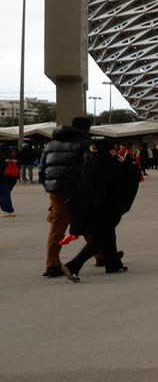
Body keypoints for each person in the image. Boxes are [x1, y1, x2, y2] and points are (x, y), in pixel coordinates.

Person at [58, 138, 140, 281]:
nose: (115, 151)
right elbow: (134, 173)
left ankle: (113, 264)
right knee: (102, 238)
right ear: (108, 150)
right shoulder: (111, 165)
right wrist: (121, 159)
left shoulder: (88, 164)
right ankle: (74, 265)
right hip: (106, 208)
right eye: (113, 149)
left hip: (89, 208)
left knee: (108, 235)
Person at [38, 117, 93, 278]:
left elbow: (42, 168)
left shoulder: (50, 143)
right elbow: (89, 168)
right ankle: (101, 255)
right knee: (87, 223)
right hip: (76, 190)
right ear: (87, 128)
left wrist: (49, 187)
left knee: (57, 227)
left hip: (55, 191)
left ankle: (52, 263)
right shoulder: (85, 143)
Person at [1, 145, 18, 217]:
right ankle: (5, 209)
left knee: (4, 195)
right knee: (4, 194)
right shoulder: (12, 158)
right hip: (12, 179)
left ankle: (9, 210)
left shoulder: (2, 158)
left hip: (3, 179)